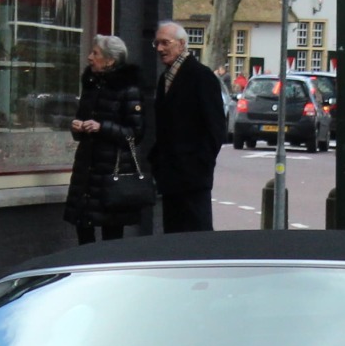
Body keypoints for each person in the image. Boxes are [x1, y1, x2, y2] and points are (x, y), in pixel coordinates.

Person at [62, 35, 147, 243]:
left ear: (110, 60)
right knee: (83, 228)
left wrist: (102, 128)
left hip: (112, 172)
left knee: (111, 233)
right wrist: (78, 127)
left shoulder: (129, 89)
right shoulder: (91, 86)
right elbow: (83, 122)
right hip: (87, 170)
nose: (90, 58)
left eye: (95, 53)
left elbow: (135, 133)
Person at [148, 21, 227, 233]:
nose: (160, 49)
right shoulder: (165, 78)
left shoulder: (201, 76)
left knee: (196, 236)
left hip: (192, 178)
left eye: (165, 43)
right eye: (157, 43)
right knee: (173, 237)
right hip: (170, 176)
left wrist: (200, 164)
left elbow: (216, 127)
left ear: (182, 44)